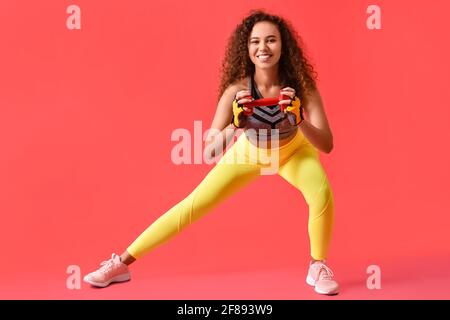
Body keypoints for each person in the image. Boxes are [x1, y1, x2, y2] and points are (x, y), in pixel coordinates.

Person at [83, 10, 339, 296]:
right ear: (247, 48)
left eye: (271, 40)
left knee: (321, 193)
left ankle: (318, 265)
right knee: (192, 206)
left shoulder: (302, 88)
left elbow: (326, 145)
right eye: (255, 42)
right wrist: (235, 124)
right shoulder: (236, 90)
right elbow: (209, 151)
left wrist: (299, 119)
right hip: (250, 153)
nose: (263, 48)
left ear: (284, 46)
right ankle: (121, 263)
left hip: (294, 152)